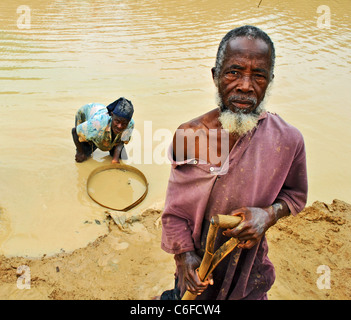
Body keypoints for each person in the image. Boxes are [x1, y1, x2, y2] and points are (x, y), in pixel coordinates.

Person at [160, 25, 308, 300]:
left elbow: (295, 196)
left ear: (270, 81)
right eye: (233, 72)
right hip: (197, 271)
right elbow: (174, 210)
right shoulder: (189, 135)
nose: (245, 85)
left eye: (259, 76)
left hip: (249, 271)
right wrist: (183, 255)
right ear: (216, 76)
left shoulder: (288, 140)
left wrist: (269, 214)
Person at [71, 97, 134, 163]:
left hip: (100, 117)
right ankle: (91, 143)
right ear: (112, 115)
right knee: (82, 158)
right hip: (87, 113)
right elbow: (74, 131)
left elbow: (122, 141)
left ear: (128, 121)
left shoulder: (130, 125)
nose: (119, 126)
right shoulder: (97, 124)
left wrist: (115, 158)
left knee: (122, 157)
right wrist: (80, 152)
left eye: (124, 124)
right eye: (117, 121)